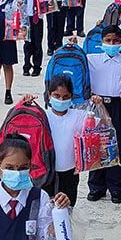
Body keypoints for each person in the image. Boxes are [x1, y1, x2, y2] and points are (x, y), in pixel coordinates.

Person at [85, 25, 121, 204]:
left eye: (115, 41)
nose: (111, 44)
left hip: (119, 105)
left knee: (118, 145)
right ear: (102, 42)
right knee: (97, 144)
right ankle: (96, 186)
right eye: (108, 40)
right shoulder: (92, 59)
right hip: (97, 104)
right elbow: (77, 61)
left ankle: (117, 188)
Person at [22, 76, 101, 205]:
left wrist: (99, 106)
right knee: (45, 209)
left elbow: (102, 127)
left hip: (69, 173)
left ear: (71, 97)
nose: (61, 100)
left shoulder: (79, 116)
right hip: (46, 173)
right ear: (49, 95)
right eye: (56, 95)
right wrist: (25, 104)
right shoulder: (42, 116)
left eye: (65, 97)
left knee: (67, 208)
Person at [22, 0, 45, 77]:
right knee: (27, 44)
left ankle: (37, 67)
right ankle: (26, 66)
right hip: (27, 20)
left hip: (38, 19)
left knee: (37, 44)